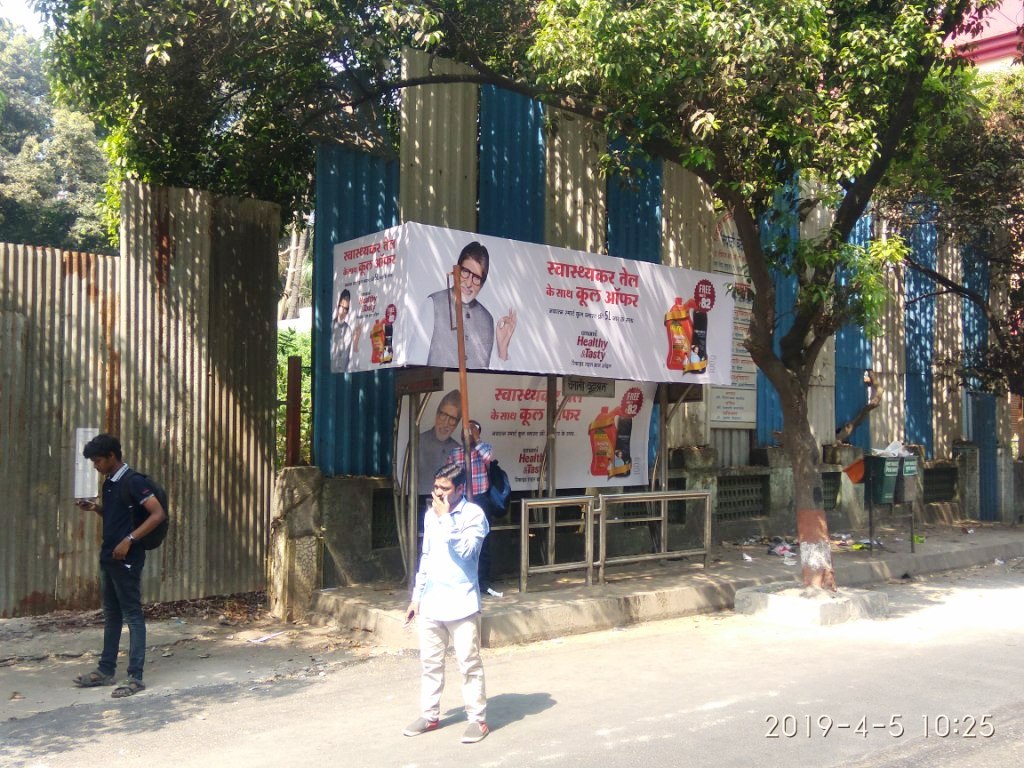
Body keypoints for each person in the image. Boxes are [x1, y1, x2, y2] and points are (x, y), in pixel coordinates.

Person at [72, 434, 167, 698]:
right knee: (112, 613)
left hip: (127, 558)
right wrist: (96, 509)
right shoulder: (110, 483)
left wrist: (129, 540)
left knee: (132, 615)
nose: (95, 466)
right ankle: (106, 670)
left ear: (112, 456)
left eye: (98, 461)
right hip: (109, 556)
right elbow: (119, 515)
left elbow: (158, 514)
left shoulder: (134, 481)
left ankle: (135, 677)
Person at [403, 461, 490, 744]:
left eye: (445, 488)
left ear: (460, 489)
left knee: (469, 663)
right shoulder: (431, 515)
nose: (438, 493)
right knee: (430, 663)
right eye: (436, 487)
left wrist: (446, 520)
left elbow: (468, 552)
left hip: (462, 603)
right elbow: (426, 556)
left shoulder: (473, 515)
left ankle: (477, 719)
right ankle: (429, 715)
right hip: (432, 602)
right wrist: (416, 597)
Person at [426, 241, 517, 369]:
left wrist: (502, 348)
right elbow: (413, 368)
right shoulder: (432, 304)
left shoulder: (487, 320)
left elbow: (493, 378)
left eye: (476, 278)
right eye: (465, 272)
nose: (469, 283)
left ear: (482, 283)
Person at [448, 420, 499, 595]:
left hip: (480, 499)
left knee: (482, 540)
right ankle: (461, 579)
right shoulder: (455, 452)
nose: (467, 433)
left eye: (472, 430)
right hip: (460, 500)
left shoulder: (484, 449)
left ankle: (482, 581)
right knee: (460, 538)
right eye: (466, 430)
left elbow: (488, 458)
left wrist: (477, 440)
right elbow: (449, 475)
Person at [416, 389, 462, 497]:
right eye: (443, 415)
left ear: (456, 424)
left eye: (452, 419)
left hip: (448, 503)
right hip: (419, 501)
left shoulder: (458, 450)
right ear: (437, 415)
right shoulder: (418, 442)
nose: (446, 423)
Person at [331, 288, 362, 373]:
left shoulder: (348, 330)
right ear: (338, 306)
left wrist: (355, 341)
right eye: (342, 307)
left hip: (342, 373)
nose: (343, 311)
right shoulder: (330, 326)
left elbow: (352, 361)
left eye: (346, 309)